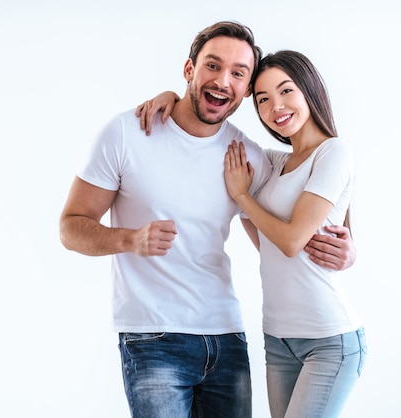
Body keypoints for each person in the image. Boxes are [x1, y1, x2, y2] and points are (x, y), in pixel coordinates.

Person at [60, 21, 355, 417]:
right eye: (212, 66)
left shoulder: (246, 156)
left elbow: (284, 229)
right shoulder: (127, 133)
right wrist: (129, 240)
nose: (223, 80)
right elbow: (70, 227)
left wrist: (348, 247)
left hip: (227, 337)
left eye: (238, 73)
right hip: (153, 337)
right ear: (189, 70)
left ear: (246, 89)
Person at [140, 50, 366, 418]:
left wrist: (243, 195)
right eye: (262, 99)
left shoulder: (333, 152)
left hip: (329, 339)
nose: (275, 106)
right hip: (278, 340)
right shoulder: (276, 162)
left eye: (286, 91)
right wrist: (173, 97)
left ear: (309, 89)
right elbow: (267, 241)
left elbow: (291, 242)